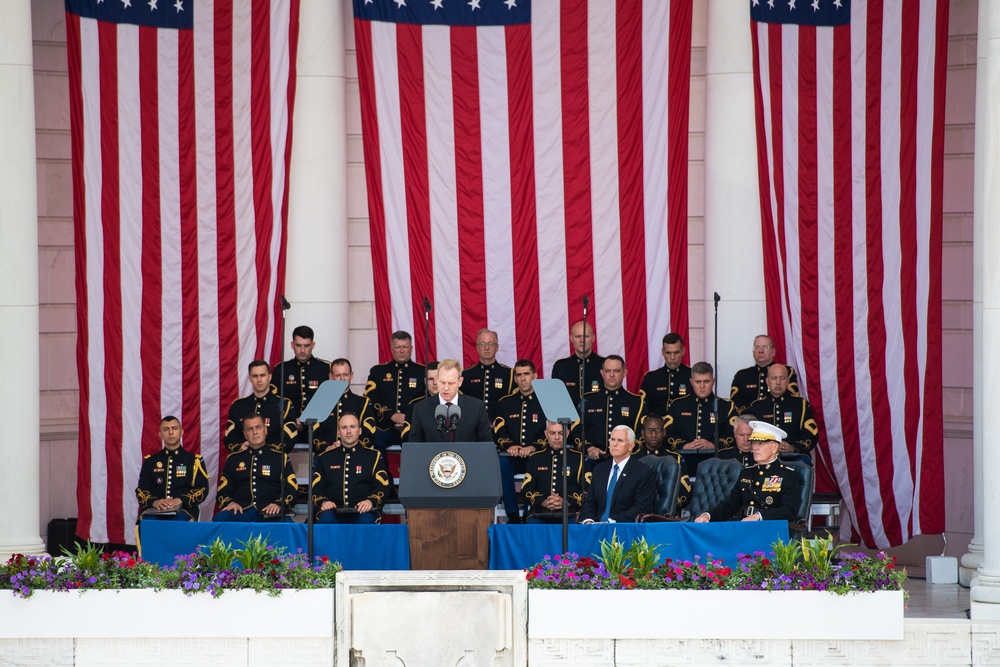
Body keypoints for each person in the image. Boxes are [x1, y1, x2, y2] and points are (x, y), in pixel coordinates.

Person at [694, 421, 802, 522]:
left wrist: (760, 516)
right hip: (744, 526)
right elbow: (730, 505)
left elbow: (789, 511)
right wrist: (708, 515)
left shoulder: (788, 475)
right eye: (754, 443)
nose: (755, 448)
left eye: (760, 444)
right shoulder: (747, 473)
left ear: (774, 447)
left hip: (770, 530)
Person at [215, 414, 298, 522]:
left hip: (270, 512)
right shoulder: (233, 459)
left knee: (287, 524)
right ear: (245, 434)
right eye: (250, 429)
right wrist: (230, 503)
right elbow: (223, 491)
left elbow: (291, 489)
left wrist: (278, 504)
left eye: (258, 427)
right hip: (241, 512)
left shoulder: (280, 458)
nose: (255, 432)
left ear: (265, 430)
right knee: (221, 518)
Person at [492, 359, 547, 524]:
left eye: (526, 374)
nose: (523, 379)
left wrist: (534, 447)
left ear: (535, 376)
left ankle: (532, 511)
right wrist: (509, 445)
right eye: (519, 375)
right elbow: (498, 430)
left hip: (537, 456)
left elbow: (553, 431)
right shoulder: (505, 402)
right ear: (515, 378)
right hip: (513, 456)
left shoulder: (545, 400)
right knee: (501, 464)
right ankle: (513, 515)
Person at [312, 413, 391, 524]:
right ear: (339, 432)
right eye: (344, 428)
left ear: (359, 431)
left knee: (367, 520)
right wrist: (323, 502)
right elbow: (316, 488)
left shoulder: (374, 457)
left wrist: (370, 501)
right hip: (333, 511)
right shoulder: (325, 457)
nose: (348, 431)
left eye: (352, 427)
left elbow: (382, 486)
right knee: (326, 519)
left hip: (363, 510)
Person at [571, 355, 644, 462]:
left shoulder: (636, 401)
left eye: (616, 371)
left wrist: (624, 451)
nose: (612, 375)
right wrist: (588, 448)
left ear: (625, 373)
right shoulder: (588, 400)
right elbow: (576, 431)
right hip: (593, 460)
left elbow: (641, 435)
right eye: (608, 370)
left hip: (625, 461)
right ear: (602, 373)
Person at [135, 415, 209, 521]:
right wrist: (155, 502)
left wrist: (180, 500)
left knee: (177, 524)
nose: (171, 432)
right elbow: (141, 490)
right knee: (147, 523)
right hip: (155, 509)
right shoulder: (150, 461)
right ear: (160, 434)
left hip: (184, 510)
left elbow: (202, 489)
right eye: (166, 429)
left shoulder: (193, 461)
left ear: (181, 432)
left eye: (174, 428)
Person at [577, 425, 656, 523]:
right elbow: (590, 501)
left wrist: (611, 522)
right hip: (596, 528)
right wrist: (588, 521)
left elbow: (641, 508)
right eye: (612, 439)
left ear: (631, 446)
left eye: (620, 441)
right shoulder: (599, 469)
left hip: (623, 529)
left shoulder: (643, 472)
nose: (614, 444)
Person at [365, 331, 426, 450]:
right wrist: (391, 415)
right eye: (398, 347)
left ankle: (410, 470)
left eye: (405, 347)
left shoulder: (422, 372)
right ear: (392, 348)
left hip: (413, 428)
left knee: (416, 445)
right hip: (386, 427)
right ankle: (382, 469)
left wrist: (408, 418)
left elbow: (427, 400)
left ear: (411, 348)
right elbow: (370, 399)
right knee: (376, 439)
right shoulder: (378, 372)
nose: (402, 351)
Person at [406, 358, 492, 443]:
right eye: (442, 382)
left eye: (451, 383)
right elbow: (415, 445)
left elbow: (486, 444)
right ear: (437, 379)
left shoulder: (476, 407)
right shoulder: (421, 408)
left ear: (460, 381)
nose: (446, 388)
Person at [271, 325, 329, 445]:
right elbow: (274, 402)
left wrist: (306, 421)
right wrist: (291, 421)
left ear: (313, 345)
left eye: (306, 346)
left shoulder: (325, 369)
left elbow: (329, 402)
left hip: (319, 432)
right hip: (288, 432)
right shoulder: (281, 369)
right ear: (292, 345)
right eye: (298, 345)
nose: (302, 350)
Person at [521, 421, 589, 523]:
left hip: (571, 512)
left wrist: (566, 502)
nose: (557, 437)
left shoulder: (579, 458)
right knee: (532, 525)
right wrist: (544, 502)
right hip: (539, 511)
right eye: (552, 433)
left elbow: (588, 489)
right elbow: (526, 488)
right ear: (546, 434)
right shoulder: (535, 458)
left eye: (561, 433)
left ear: (567, 434)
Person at [224, 360, 298, 453]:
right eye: (255, 376)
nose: (259, 380)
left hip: (273, 460)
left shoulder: (284, 405)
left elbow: (290, 438)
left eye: (262, 375)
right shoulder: (238, 406)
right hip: (244, 459)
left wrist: (266, 450)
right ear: (249, 378)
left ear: (269, 377)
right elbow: (230, 437)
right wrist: (240, 446)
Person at [663, 361, 736, 453]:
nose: (702, 386)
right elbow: (667, 434)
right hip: (684, 459)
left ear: (713, 381)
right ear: (691, 382)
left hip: (715, 460)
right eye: (698, 382)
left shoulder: (726, 407)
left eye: (706, 381)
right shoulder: (677, 405)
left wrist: (713, 445)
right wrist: (684, 446)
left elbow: (733, 435)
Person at [747, 364, 817, 457]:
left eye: (782, 378)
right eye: (774, 378)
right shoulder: (756, 407)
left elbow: (812, 434)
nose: (778, 382)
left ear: (788, 381)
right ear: (767, 381)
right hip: (764, 459)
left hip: (794, 458)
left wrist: (794, 447)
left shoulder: (800, 405)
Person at [311, 358, 376, 452]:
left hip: (356, 457)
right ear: (331, 377)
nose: (342, 379)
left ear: (351, 375)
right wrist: (327, 448)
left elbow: (369, 435)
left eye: (345, 375)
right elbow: (314, 435)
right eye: (338, 375)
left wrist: (352, 447)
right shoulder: (320, 402)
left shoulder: (363, 403)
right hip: (326, 457)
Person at [729, 334, 800, 414]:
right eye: (757, 347)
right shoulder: (741, 376)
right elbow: (735, 406)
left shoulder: (786, 372)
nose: (761, 351)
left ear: (773, 352)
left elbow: (792, 400)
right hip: (750, 422)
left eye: (765, 347)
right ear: (753, 352)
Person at [462, 329, 514, 422]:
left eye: (490, 344)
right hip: (473, 430)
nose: (486, 348)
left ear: (497, 347)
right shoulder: (466, 375)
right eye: (482, 344)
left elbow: (513, 404)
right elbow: (462, 405)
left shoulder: (509, 374)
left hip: (500, 431)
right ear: (477, 348)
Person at [639, 333, 693, 418]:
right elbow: (643, 409)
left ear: (683, 351)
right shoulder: (651, 378)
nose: (672, 357)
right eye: (668, 353)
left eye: (676, 352)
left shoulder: (692, 375)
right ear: (662, 352)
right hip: (657, 428)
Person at [550, 320, 605, 402]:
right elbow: (555, 399)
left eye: (586, 336)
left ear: (593, 338)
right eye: (577, 336)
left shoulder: (605, 365)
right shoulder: (560, 367)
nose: (582, 340)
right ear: (571, 339)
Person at [402, 361, 439, 442]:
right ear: (425, 381)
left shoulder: (455, 403)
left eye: (438, 379)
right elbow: (407, 437)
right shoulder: (415, 405)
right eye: (431, 379)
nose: (435, 383)